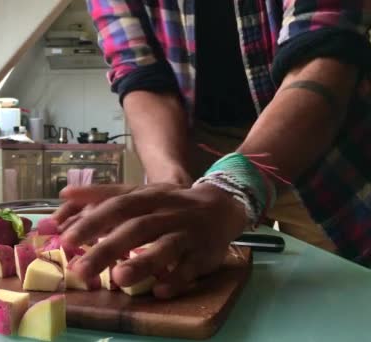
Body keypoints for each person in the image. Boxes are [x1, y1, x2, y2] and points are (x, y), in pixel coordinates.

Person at [52, 0, 371, 299]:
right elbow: (140, 76)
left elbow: (325, 50)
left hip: (321, 141)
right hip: (196, 141)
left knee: (342, 288)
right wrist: (170, 184)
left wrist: (232, 185)